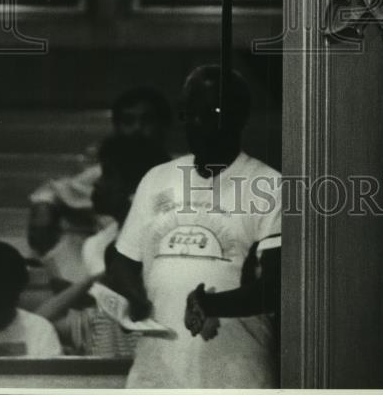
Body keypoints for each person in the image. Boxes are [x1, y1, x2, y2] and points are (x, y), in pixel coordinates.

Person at [106, 65, 281, 389]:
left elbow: (275, 289)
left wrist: (212, 305)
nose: (198, 124)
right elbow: (122, 263)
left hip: (235, 376)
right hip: (156, 376)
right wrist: (135, 297)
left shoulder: (269, 185)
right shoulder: (157, 178)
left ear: (238, 118)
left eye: (211, 113)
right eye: (190, 114)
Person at [35, 134, 168, 357]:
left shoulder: (164, 249)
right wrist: (101, 276)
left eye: (108, 175)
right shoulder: (99, 247)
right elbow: (40, 323)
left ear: (135, 190)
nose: (96, 183)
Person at [27, 87, 172, 260]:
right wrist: (43, 209)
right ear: (117, 128)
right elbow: (53, 191)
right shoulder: (104, 176)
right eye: (128, 121)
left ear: (163, 126)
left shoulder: (181, 176)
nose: (137, 129)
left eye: (147, 121)